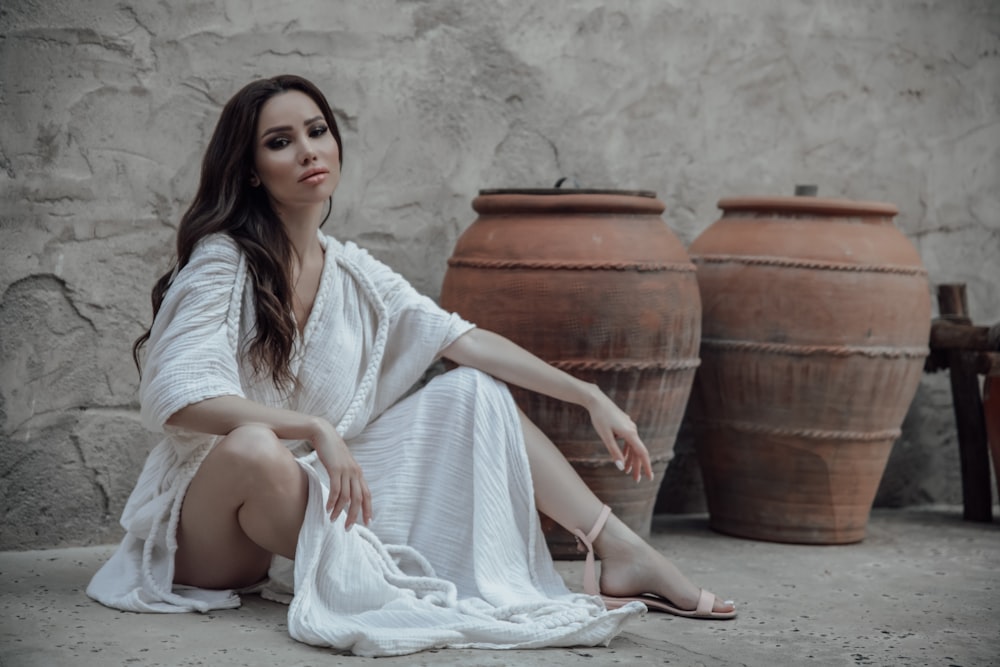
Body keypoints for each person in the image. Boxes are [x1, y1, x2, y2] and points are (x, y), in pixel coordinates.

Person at [87, 74, 735, 656]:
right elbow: (178, 396)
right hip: (208, 531)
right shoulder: (223, 262)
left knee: (471, 392)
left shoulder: (352, 271)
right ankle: (411, 568)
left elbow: (464, 339)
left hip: (296, 497)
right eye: (280, 141)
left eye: (317, 131)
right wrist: (316, 429)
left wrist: (588, 393)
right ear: (252, 169)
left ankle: (616, 547)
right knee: (257, 444)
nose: (309, 149)